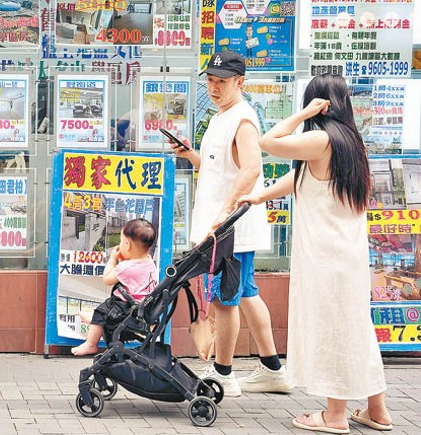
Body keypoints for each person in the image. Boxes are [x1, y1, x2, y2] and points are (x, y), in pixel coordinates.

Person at [237, 73, 392, 433]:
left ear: (318, 102)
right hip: (348, 257)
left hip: (326, 258)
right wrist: (260, 196)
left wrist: (301, 114)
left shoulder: (321, 138)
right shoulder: (351, 142)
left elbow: (267, 141)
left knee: (334, 329)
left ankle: (335, 415)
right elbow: (305, 177)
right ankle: (377, 410)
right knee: (356, 329)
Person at [170, 50, 290, 397]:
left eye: (221, 82)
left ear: (240, 82)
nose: (214, 87)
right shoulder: (220, 116)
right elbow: (220, 168)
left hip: (231, 228)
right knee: (246, 293)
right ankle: (273, 370)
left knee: (225, 299)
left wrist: (224, 212)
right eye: (210, 80)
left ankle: (223, 373)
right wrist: (191, 155)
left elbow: (252, 169)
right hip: (224, 225)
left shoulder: (243, 120)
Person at [71, 218, 158, 356]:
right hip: (143, 309)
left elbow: (107, 279)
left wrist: (112, 259)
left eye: (121, 242)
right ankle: (95, 320)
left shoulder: (127, 267)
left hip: (127, 310)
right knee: (105, 310)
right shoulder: (149, 262)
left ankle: (91, 343)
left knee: (103, 310)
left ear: (128, 245)